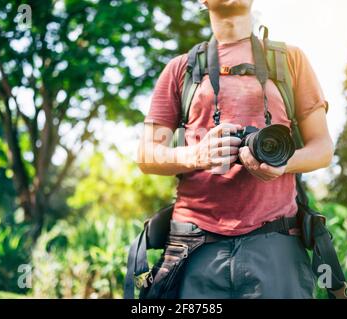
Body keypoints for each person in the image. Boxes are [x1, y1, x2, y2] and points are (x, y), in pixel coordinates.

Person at [137, 0, 334, 299]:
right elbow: (146, 154)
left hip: (276, 242)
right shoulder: (180, 69)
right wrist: (197, 155)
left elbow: (322, 147)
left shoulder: (290, 60)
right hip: (193, 247)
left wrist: (283, 163)